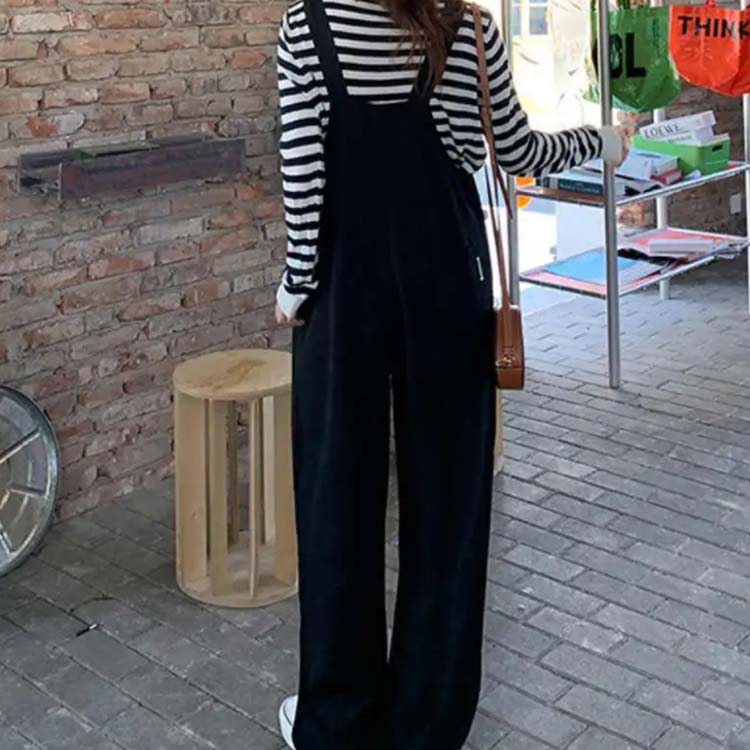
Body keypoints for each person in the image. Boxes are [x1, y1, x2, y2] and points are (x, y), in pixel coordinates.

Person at [274, 0, 628, 747]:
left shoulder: (307, 26)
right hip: (445, 279)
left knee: (336, 494)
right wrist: (603, 141)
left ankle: (338, 720)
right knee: (449, 501)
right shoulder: (466, 27)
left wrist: (297, 284)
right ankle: (426, 722)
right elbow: (518, 150)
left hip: (343, 289)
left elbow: (303, 172)